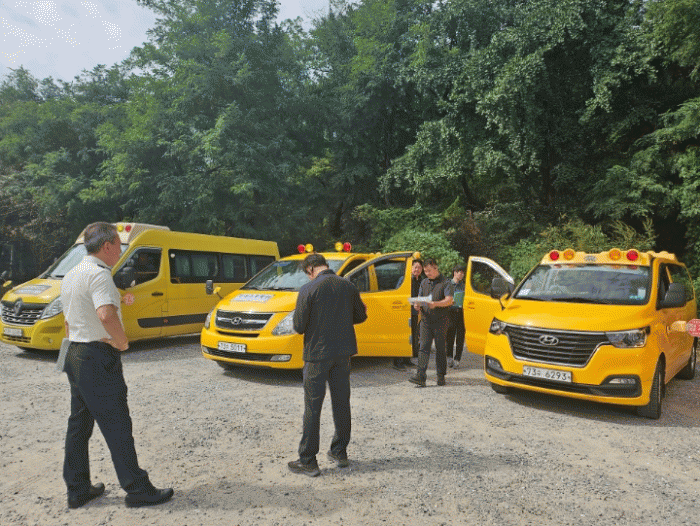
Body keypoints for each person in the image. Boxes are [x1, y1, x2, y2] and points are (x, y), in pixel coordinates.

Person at [60, 222, 174, 509]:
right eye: (119, 245)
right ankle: (137, 489)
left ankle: (78, 489)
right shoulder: (99, 275)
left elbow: (68, 319)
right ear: (108, 245)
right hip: (97, 356)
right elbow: (105, 313)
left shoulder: (71, 273)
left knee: (79, 425)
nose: (121, 251)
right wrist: (122, 342)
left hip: (75, 351)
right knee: (117, 425)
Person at [288, 253, 367, 476]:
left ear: (311, 269)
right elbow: (361, 316)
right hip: (343, 353)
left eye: (307, 273)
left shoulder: (308, 289)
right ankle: (340, 451)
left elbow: (299, 326)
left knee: (313, 407)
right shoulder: (348, 286)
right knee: (341, 402)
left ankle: (308, 460)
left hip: (317, 354)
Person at [408, 258, 454, 387]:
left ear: (435, 267)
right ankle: (420, 376)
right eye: (425, 271)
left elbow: (449, 300)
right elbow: (420, 297)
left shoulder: (446, 282)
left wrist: (436, 304)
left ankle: (441, 376)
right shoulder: (424, 282)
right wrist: (417, 304)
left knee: (440, 348)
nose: (427, 273)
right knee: (423, 348)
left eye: (429, 271)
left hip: (441, 321)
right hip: (426, 321)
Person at [393, 259, 424, 370]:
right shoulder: (404, 279)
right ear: (410, 268)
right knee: (403, 336)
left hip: (414, 312)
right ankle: (397, 362)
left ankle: (407, 359)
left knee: (412, 336)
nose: (417, 269)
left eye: (419, 268)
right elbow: (399, 296)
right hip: (404, 312)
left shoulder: (420, 280)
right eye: (415, 267)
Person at [445, 263, 466, 369]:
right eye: (459, 272)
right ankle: (449, 357)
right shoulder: (448, 284)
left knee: (460, 337)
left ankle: (457, 359)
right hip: (450, 312)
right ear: (455, 273)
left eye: (462, 273)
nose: (461, 274)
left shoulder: (464, 286)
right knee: (450, 336)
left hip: (461, 313)